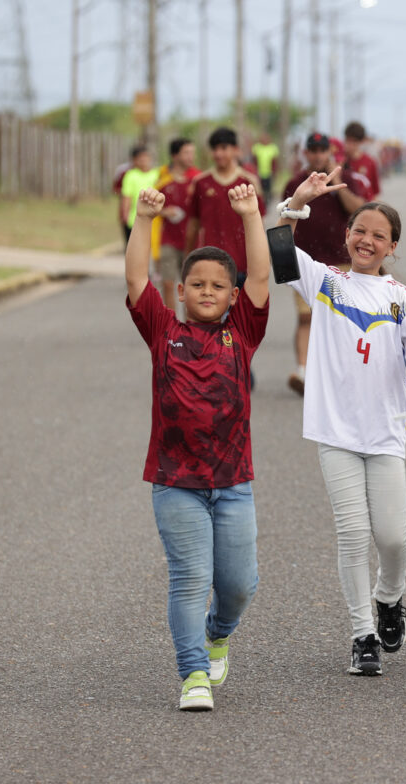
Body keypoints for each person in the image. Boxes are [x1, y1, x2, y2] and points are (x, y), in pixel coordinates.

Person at [276, 169, 406, 676]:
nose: (366, 240)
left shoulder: (400, 298)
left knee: (392, 537)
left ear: (392, 246)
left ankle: (389, 597)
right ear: (346, 235)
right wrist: (297, 203)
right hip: (335, 431)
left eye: (378, 235)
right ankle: (362, 635)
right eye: (359, 231)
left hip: (387, 428)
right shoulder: (326, 281)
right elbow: (278, 252)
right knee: (353, 535)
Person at [123, 180, 270, 712]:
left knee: (238, 585)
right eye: (197, 284)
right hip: (176, 483)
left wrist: (251, 214)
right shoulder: (163, 330)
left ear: (231, 296)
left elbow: (258, 274)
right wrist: (144, 219)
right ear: (180, 291)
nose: (208, 291)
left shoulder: (244, 332)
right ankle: (192, 675)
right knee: (190, 578)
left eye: (218, 285)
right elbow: (138, 276)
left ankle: (218, 633)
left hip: (233, 484)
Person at [280, 132, 370, 395]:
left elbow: (360, 211)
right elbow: (285, 218)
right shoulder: (295, 183)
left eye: (323, 150)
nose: (318, 155)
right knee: (306, 317)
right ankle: (304, 371)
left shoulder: (349, 180)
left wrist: (338, 181)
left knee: (341, 320)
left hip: (342, 260)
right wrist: (285, 261)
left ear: (330, 152)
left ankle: (342, 372)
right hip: (305, 262)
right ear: (306, 153)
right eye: (313, 150)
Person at [185, 127, 264, 279]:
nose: (218, 153)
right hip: (208, 263)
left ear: (235, 150)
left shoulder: (248, 182)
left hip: (241, 264)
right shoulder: (201, 183)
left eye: (223, 148)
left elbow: (258, 226)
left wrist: (260, 262)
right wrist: (188, 258)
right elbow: (193, 225)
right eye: (214, 149)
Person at [154, 137, 201, 309]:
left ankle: (190, 325)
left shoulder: (198, 180)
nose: (191, 157)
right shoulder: (163, 181)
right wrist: (165, 211)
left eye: (192, 153)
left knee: (191, 285)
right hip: (168, 240)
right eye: (186, 153)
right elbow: (151, 208)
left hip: (193, 241)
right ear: (175, 156)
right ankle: (171, 326)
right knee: (167, 283)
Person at [120, 145, 160, 245]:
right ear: (134, 160)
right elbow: (127, 197)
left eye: (146, 157)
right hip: (134, 219)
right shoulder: (131, 175)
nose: (144, 161)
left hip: (154, 220)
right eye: (141, 158)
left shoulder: (157, 174)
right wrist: (125, 214)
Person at [343, 121, 381, 200]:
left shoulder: (370, 162)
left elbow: (375, 192)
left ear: (362, 141)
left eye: (354, 141)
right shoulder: (340, 161)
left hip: (365, 206)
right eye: (348, 140)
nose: (350, 145)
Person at [251, 132, 280, 203]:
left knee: (268, 189)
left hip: (269, 173)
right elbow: (254, 160)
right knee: (260, 189)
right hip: (259, 173)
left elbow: (275, 162)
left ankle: (267, 202)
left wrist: (275, 172)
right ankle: (262, 202)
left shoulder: (273, 148)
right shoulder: (257, 147)